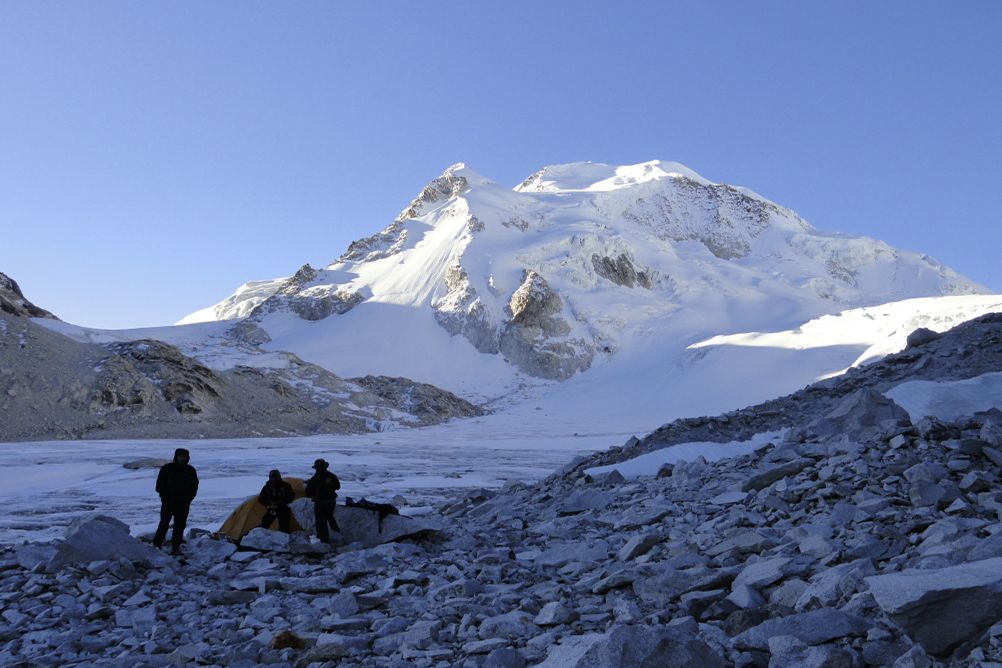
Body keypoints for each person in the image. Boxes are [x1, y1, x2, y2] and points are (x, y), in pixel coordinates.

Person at [153, 448, 198, 555]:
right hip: (168, 502)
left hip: (183, 503)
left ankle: (175, 547)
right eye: (180, 456)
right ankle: (156, 544)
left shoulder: (190, 470)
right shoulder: (167, 468)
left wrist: (189, 499)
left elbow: (194, 486)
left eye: (184, 457)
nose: (181, 458)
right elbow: (159, 485)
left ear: (187, 458)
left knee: (180, 525)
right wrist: (164, 497)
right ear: (176, 457)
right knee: (164, 523)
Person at [305, 458, 340, 543]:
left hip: (320, 503)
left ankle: (324, 541)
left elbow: (308, 492)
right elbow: (338, 486)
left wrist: (313, 494)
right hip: (332, 502)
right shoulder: (331, 475)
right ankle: (337, 535)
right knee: (330, 517)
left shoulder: (315, 478)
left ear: (316, 468)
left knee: (321, 522)